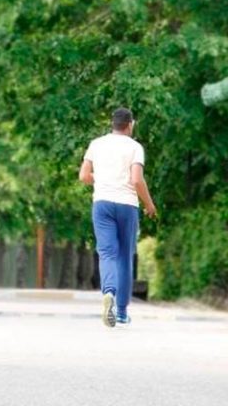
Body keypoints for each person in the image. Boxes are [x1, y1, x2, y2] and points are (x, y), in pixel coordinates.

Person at [79, 107, 156, 328]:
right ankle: (121, 312)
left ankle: (108, 293)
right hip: (127, 205)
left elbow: (84, 176)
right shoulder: (135, 147)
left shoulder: (96, 144)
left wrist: (104, 179)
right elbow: (136, 180)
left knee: (106, 253)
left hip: (102, 204)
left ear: (112, 124)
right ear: (130, 124)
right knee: (124, 256)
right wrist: (149, 205)